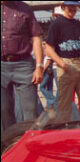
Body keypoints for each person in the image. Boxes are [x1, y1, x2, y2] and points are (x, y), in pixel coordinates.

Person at [45, 1, 80, 122]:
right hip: (66, 63)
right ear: (63, 7)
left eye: (74, 6)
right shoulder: (56, 24)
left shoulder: (76, 23)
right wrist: (62, 63)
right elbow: (48, 47)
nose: (73, 9)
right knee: (64, 104)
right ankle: (63, 133)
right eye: (70, 6)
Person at [1, 1, 44, 131]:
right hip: (1, 66)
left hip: (23, 65)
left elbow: (36, 37)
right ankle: (8, 146)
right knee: (4, 110)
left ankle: (31, 144)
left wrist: (39, 66)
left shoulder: (24, 9)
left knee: (30, 110)